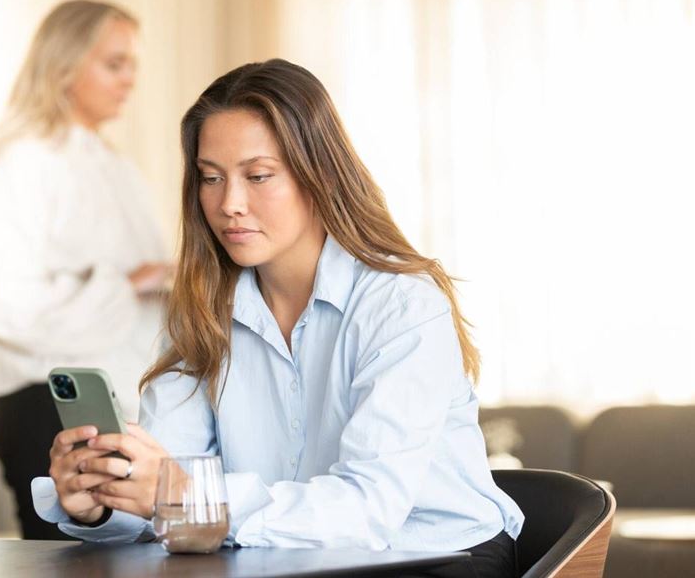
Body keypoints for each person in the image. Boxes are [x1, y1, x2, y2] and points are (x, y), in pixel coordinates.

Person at [33, 59, 524, 575]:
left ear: (319, 173)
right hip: (282, 556)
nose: (229, 204)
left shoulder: (402, 304)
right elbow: (171, 488)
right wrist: (102, 500)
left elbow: (368, 510)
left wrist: (181, 491)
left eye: (258, 176)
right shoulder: (203, 310)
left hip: (436, 556)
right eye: (211, 178)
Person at [0, 0, 172, 540]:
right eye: (114, 63)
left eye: (133, 64)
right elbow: (6, 301)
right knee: (72, 564)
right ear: (63, 65)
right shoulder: (24, 163)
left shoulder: (118, 169)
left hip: (112, 400)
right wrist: (129, 283)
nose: (130, 79)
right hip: (47, 401)